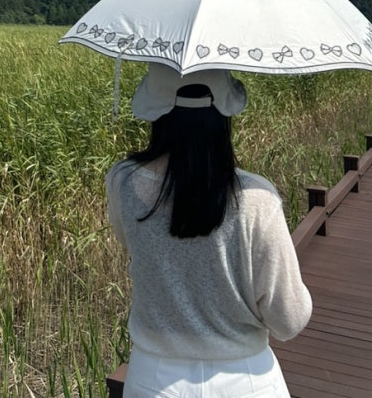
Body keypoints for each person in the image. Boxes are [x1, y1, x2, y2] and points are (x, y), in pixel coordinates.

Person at [106, 61, 312, 398]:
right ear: (223, 114)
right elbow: (289, 320)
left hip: (153, 380)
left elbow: (131, 244)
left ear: (155, 111)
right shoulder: (257, 198)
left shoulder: (122, 182)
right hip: (246, 382)